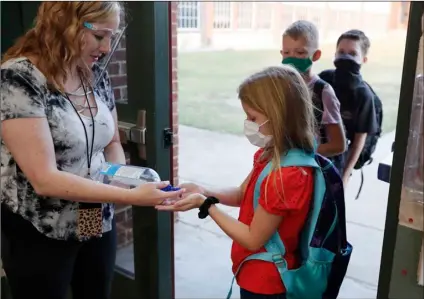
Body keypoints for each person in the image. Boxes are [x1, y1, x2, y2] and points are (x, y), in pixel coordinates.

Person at [0, 2, 183, 299]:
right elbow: (43, 179)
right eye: (100, 36)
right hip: (40, 227)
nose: (107, 47)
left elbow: (111, 143)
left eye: (113, 36)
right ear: (65, 24)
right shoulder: (17, 79)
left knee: (94, 289)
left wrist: (122, 176)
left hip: (93, 213)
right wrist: (129, 196)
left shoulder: (94, 74)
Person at [158, 65, 317, 299]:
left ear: (279, 115)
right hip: (252, 271)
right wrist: (204, 190)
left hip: (267, 283)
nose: (248, 123)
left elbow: (253, 238)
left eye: (253, 117)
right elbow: (243, 194)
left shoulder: (287, 176)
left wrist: (206, 205)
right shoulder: (271, 155)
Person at [280, 20, 346, 169]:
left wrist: (300, 154)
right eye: (287, 52)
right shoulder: (280, 87)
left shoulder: (323, 92)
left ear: (315, 55)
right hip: (284, 166)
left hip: (310, 168)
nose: (292, 58)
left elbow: (338, 145)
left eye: (300, 52)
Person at [318, 29, 380, 187]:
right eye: (341, 52)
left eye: (352, 54)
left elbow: (359, 142)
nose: (345, 57)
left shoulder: (364, 96)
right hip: (316, 149)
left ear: (363, 59)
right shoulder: (324, 79)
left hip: (340, 157)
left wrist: (344, 177)